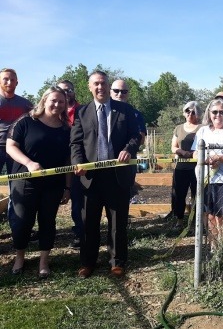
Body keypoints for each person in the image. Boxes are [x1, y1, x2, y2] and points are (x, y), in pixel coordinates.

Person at [71, 71, 141, 278]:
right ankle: (87, 262)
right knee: (88, 223)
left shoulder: (125, 110)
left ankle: (116, 262)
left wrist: (129, 149)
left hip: (117, 176)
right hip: (90, 177)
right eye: (96, 84)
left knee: (117, 223)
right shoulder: (82, 113)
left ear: (108, 86)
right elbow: (75, 143)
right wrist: (78, 162)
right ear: (89, 87)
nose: (100, 87)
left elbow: (135, 136)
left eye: (103, 83)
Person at [7, 86, 71, 279]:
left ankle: (44, 261)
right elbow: (10, 146)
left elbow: (68, 160)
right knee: (22, 221)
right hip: (25, 181)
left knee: (47, 221)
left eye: (61, 102)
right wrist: (28, 163)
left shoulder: (66, 129)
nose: (57, 105)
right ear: (44, 100)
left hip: (53, 184)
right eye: (53, 100)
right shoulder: (26, 121)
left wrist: (67, 187)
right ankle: (20, 257)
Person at [192, 98, 223, 252]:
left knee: (222, 215)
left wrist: (220, 158)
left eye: (222, 112)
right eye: (215, 112)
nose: (218, 115)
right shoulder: (202, 131)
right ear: (209, 113)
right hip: (206, 179)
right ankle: (214, 246)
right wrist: (205, 160)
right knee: (210, 215)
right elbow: (195, 154)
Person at [110, 79, 146, 198]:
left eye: (124, 91)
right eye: (116, 91)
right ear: (110, 92)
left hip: (127, 161)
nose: (120, 94)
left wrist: (128, 147)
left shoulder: (135, 114)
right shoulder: (102, 111)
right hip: (106, 161)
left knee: (124, 196)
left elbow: (141, 138)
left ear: (128, 94)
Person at [57, 80, 82, 248]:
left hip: (76, 161)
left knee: (78, 199)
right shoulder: (52, 110)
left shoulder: (83, 111)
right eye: (62, 90)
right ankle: (46, 232)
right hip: (55, 160)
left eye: (69, 90)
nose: (66, 93)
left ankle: (80, 233)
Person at [170, 101, 203, 229]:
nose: (190, 113)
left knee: (198, 195)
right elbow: (173, 147)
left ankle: (198, 222)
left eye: (193, 111)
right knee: (179, 195)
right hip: (181, 168)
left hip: (197, 168)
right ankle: (179, 220)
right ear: (184, 112)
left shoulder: (203, 128)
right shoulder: (178, 128)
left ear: (198, 114)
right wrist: (183, 152)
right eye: (187, 111)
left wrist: (193, 154)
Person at [0, 68, 34, 175]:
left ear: (17, 82)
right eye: (5, 79)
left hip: (17, 147)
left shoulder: (26, 104)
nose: (9, 82)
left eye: (12, 80)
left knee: (16, 182)